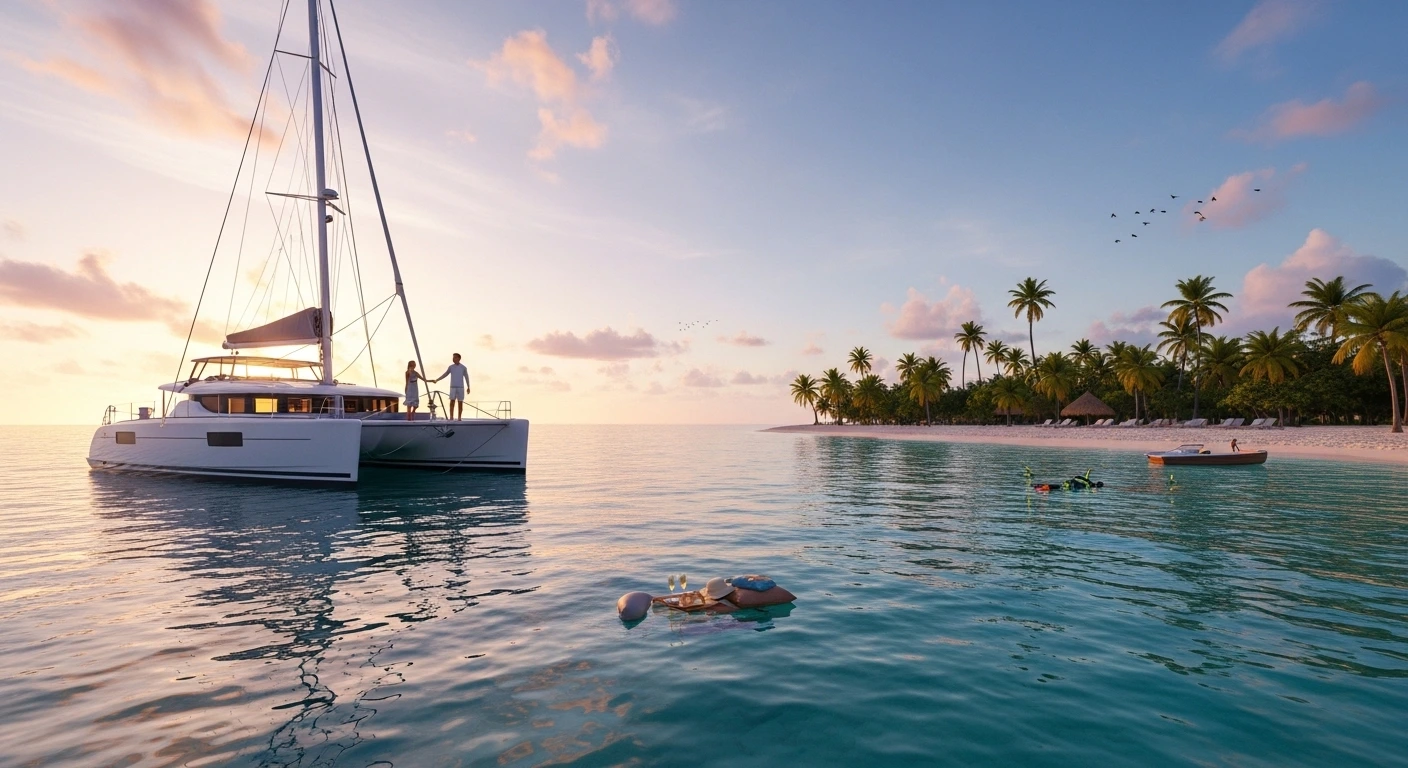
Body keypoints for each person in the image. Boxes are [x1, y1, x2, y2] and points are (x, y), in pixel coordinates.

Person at [434, 353, 471, 420]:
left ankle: (459, 417)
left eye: (455, 357)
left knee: (460, 402)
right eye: (453, 357)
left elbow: (466, 377)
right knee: (452, 402)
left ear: (459, 358)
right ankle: (451, 417)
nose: (453, 359)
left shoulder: (463, 367)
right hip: (453, 387)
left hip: (460, 387)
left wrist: (468, 387)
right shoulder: (451, 367)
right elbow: (445, 374)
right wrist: (437, 380)